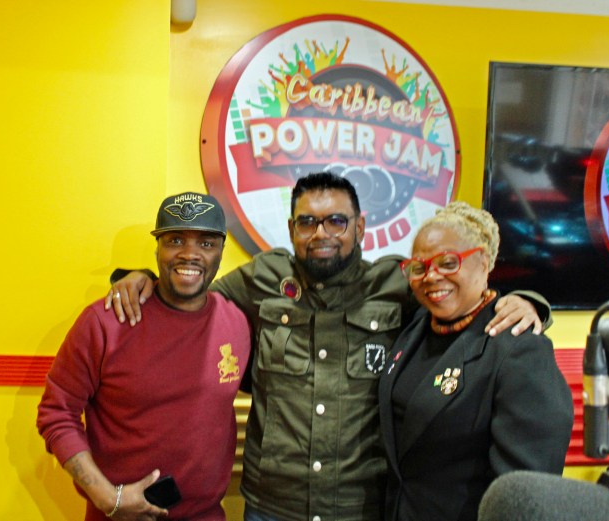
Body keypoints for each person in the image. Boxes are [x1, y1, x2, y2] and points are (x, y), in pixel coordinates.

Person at [107, 173, 553, 521]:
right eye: (308, 221)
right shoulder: (263, 277)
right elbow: (190, 300)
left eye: (336, 221)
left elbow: (459, 303)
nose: (322, 232)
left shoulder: (398, 282)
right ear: (291, 229)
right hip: (272, 505)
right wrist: (139, 278)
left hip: (361, 506)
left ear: (359, 227)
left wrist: (528, 302)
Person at [37, 192, 251, 520]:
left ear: (222, 250)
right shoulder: (106, 321)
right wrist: (107, 497)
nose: (190, 254)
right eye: (175, 240)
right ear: (158, 248)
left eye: (206, 244)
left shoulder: (236, 322)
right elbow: (56, 413)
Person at [378, 201, 574, 521]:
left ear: (483, 262)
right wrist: (534, 300)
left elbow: (524, 492)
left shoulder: (519, 351)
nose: (431, 276)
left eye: (448, 262)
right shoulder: (416, 324)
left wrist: (532, 305)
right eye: (420, 266)